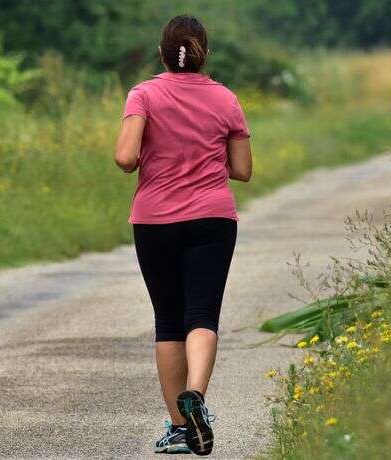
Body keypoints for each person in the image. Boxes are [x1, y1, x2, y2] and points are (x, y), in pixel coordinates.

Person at [114, 14, 252, 456]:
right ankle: (196, 394)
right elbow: (243, 171)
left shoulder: (144, 94)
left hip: (155, 222)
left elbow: (124, 157)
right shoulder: (226, 99)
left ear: (162, 52)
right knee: (202, 316)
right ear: (204, 53)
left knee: (169, 320)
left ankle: (178, 427)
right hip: (212, 218)